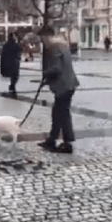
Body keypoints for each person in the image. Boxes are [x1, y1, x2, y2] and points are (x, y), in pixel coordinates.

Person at [37, 26, 80, 154]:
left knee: (63, 114)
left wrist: (45, 74)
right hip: (68, 84)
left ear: (46, 36)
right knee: (57, 112)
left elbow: (56, 68)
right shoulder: (62, 45)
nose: (42, 42)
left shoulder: (54, 48)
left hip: (64, 86)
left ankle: (67, 144)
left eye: (42, 39)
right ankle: (52, 139)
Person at [0, 33, 22, 97]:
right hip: (14, 64)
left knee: (13, 78)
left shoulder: (6, 45)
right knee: (14, 77)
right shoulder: (15, 45)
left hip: (9, 64)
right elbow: (19, 53)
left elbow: (2, 56)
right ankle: (12, 89)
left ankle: (12, 89)